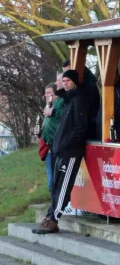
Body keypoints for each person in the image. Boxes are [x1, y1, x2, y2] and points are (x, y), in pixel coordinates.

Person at [33, 70, 92, 234]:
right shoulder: (68, 100)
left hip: (70, 151)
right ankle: (50, 216)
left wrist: (65, 143)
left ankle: (54, 219)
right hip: (60, 149)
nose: (64, 83)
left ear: (74, 82)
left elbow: (80, 127)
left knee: (63, 187)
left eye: (67, 81)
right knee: (56, 186)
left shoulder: (79, 101)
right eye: (63, 80)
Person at [40, 80, 64, 193]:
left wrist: (53, 112)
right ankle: (53, 203)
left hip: (56, 145)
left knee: (54, 177)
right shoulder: (49, 105)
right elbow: (47, 126)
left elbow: (63, 117)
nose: (46, 95)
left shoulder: (60, 104)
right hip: (48, 146)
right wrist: (39, 133)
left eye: (48, 92)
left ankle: (56, 204)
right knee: (51, 177)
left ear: (55, 93)